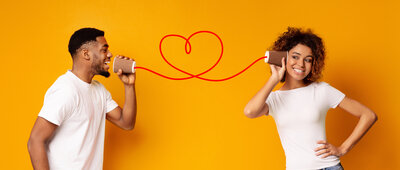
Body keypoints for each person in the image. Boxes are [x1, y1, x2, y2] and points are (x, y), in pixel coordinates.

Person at [244, 27, 377, 170]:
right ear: (284, 58)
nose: (301, 64)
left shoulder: (321, 90)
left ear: (313, 64)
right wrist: (274, 78)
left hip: (329, 167)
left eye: (308, 60)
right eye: (295, 57)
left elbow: (368, 115)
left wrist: (343, 148)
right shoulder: (274, 99)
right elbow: (250, 112)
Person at [27, 28, 137, 170]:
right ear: (86, 54)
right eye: (104, 50)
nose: (110, 55)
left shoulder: (99, 90)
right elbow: (35, 141)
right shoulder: (66, 90)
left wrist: (129, 86)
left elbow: (126, 122)